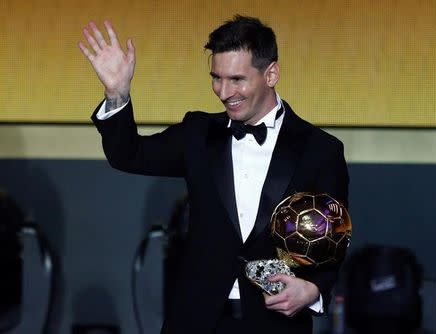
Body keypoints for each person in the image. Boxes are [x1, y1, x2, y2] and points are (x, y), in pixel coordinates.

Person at [79, 15, 349, 334]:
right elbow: (129, 155)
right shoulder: (198, 133)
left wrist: (313, 290)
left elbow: (332, 239)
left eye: (237, 79)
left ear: (271, 73)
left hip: (273, 323)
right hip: (195, 319)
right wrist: (117, 93)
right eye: (216, 78)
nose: (223, 92)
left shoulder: (320, 150)